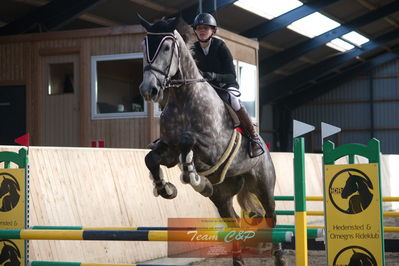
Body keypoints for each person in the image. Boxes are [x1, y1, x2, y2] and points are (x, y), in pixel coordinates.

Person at [191, 13, 264, 158]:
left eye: (205, 28)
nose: (202, 31)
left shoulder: (220, 46)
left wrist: (214, 76)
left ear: (213, 31)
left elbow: (231, 75)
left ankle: (253, 136)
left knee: (235, 100)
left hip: (225, 86)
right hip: (205, 88)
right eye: (199, 28)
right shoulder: (193, 49)